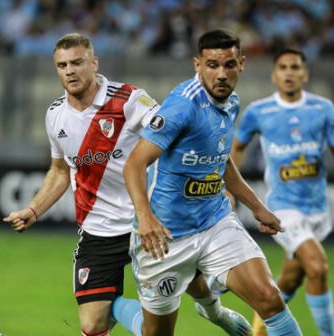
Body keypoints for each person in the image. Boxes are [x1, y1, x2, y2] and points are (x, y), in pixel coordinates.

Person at [2, 33, 252, 336]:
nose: (70, 70)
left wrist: (212, 181)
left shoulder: (129, 100)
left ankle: (216, 313)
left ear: (93, 64)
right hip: (100, 228)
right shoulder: (55, 115)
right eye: (62, 65)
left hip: (149, 218)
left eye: (77, 62)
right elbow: (59, 170)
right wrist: (34, 208)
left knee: (194, 285)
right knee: (93, 324)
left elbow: (177, 139)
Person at [123, 29, 303, 336]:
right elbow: (134, 165)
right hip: (166, 235)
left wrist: (257, 207)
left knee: (269, 299)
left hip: (214, 221)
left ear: (241, 64)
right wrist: (145, 218)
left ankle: (211, 306)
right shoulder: (182, 107)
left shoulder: (230, 102)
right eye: (212, 65)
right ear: (197, 65)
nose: (221, 74)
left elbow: (219, 159)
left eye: (229, 65)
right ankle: (117, 305)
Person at [232, 48, 334, 336]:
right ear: (274, 74)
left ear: (304, 74)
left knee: (291, 279)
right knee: (317, 267)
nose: (289, 72)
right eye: (283, 67)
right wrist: (230, 188)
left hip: (316, 208)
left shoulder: (323, 108)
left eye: (294, 67)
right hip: (283, 208)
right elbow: (236, 149)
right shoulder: (259, 111)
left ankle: (260, 328)